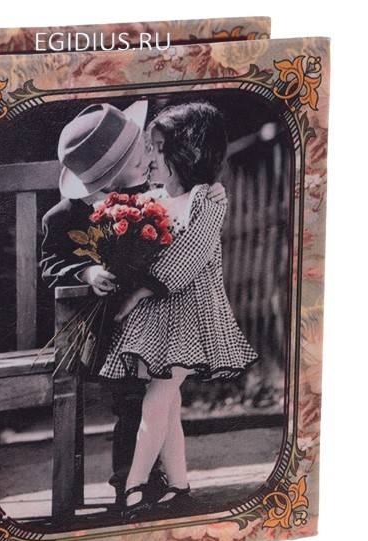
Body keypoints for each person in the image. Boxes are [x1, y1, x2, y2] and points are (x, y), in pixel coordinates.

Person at [98, 102, 259, 519]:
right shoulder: (151, 201)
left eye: (158, 148)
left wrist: (138, 291)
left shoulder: (207, 199)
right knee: (167, 406)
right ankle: (180, 485)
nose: (150, 157)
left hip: (191, 315)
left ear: (189, 152)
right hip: (158, 319)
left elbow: (190, 253)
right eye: (149, 147)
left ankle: (134, 486)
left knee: (157, 398)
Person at [39, 100, 168, 509]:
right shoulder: (64, 217)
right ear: (111, 175)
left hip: (154, 322)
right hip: (105, 330)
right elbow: (50, 263)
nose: (147, 158)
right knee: (131, 398)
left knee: (161, 397)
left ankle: (159, 475)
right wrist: (88, 272)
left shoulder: (152, 200)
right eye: (138, 158)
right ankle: (129, 483)